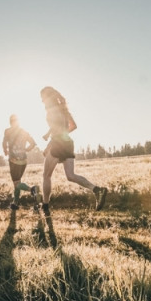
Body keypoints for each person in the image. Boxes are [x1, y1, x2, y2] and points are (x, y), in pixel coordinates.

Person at [39, 86, 107, 216]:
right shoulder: (64, 110)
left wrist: (49, 144)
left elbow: (56, 129)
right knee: (71, 176)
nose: (42, 101)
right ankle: (97, 190)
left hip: (58, 144)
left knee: (46, 176)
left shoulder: (50, 112)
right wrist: (55, 134)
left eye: (42, 98)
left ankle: (45, 206)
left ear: (48, 98)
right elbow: (73, 126)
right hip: (68, 143)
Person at [2, 114, 40, 210]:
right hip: (23, 161)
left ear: (10, 122)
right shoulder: (24, 132)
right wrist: (26, 149)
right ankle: (15, 203)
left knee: (16, 183)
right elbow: (33, 143)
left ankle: (32, 189)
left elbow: (4, 143)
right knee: (18, 182)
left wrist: (5, 150)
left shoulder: (7, 131)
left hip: (14, 161)